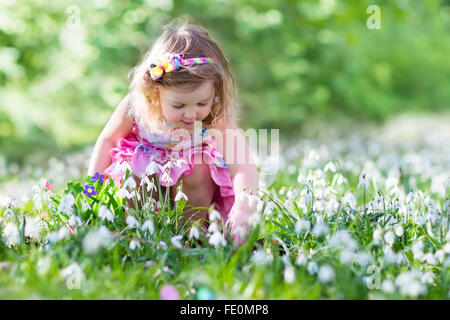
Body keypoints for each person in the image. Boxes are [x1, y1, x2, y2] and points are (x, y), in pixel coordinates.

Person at [87, 20, 258, 245]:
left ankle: (192, 234)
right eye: (179, 106)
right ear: (155, 92)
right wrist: (92, 191)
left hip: (190, 195)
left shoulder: (215, 116)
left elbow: (242, 163)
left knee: (198, 166)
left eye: (201, 102)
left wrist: (244, 207)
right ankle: (137, 230)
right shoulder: (136, 107)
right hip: (148, 189)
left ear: (214, 90)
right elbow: (108, 140)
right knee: (132, 167)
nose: (191, 114)